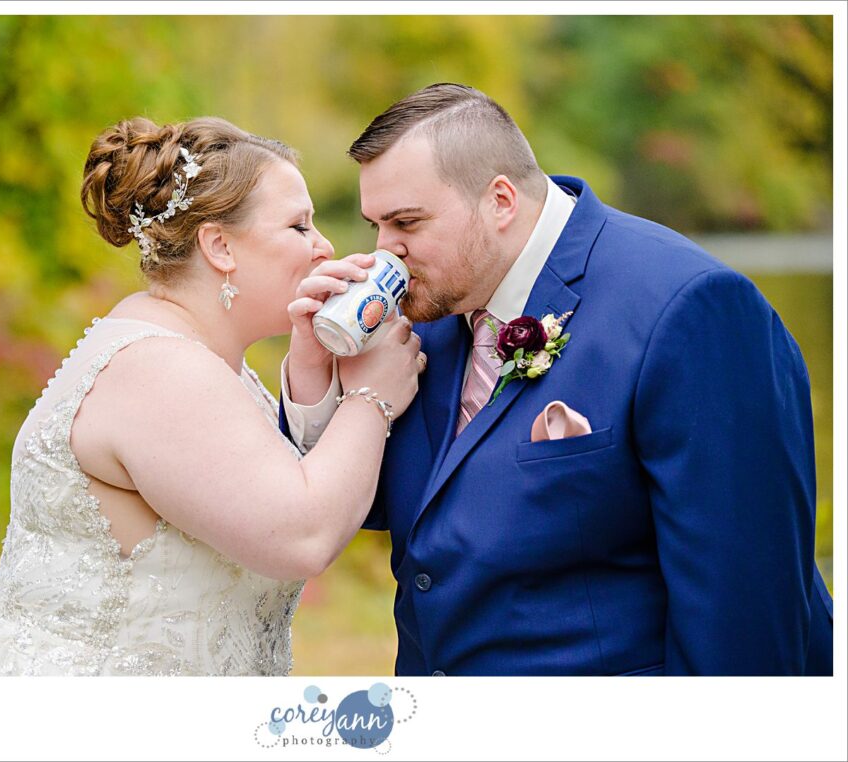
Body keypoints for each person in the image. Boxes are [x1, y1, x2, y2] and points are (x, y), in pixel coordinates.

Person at [282, 83, 834, 676]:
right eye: (375, 227)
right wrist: (317, 376)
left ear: (499, 201)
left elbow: (744, 609)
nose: (384, 253)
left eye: (406, 223)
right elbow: (383, 507)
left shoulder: (691, 308)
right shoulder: (427, 315)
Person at [0, 116, 424, 676]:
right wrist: (370, 397)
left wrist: (313, 363)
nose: (323, 247)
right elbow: (301, 534)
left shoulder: (198, 359)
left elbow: (294, 486)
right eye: (299, 227)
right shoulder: (160, 371)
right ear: (219, 246)